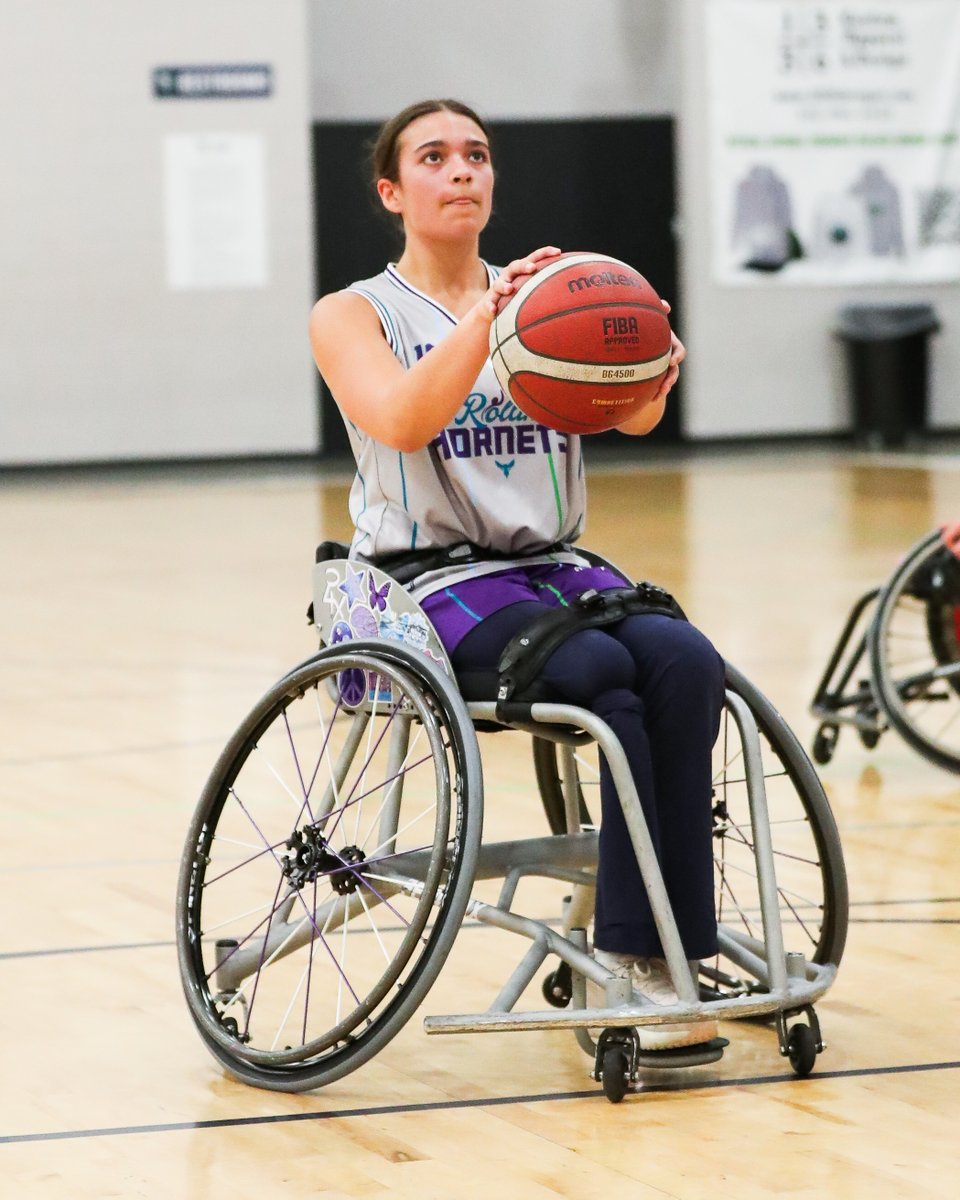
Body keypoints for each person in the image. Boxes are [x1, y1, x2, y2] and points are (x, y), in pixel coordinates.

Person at [309, 98, 725, 1049]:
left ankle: (673, 945)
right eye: (435, 157)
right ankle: (634, 957)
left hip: (555, 566)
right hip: (424, 579)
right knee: (599, 683)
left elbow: (634, 422)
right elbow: (404, 419)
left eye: (478, 155)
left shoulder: (548, 293)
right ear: (392, 190)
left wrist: (648, 367)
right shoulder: (352, 314)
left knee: (685, 662)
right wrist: (491, 319)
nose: (462, 170)